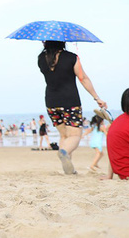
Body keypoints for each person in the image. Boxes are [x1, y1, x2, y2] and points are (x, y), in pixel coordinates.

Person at [36, 40, 106, 174]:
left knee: (64, 135)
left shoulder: (41, 59)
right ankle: (64, 152)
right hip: (70, 101)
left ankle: (68, 170)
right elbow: (83, 78)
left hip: (51, 102)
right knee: (74, 135)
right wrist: (97, 98)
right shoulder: (71, 57)